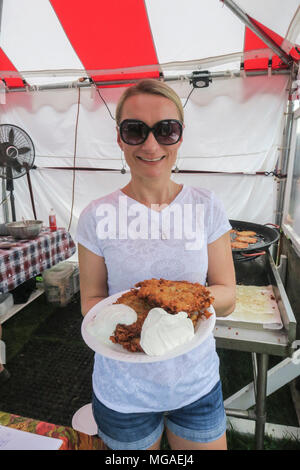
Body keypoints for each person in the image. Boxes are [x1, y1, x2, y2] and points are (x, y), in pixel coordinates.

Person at [76, 79, 236, 450]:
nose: (151, 145)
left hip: (195, 384)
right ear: (119, 138)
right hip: (123, 392)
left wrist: (181, 304)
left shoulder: (206, 206)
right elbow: (91, 301)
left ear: (180, 137)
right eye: (135, 130)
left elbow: (228, 295)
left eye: (166, 130)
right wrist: (141, 327)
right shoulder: (96, 216)